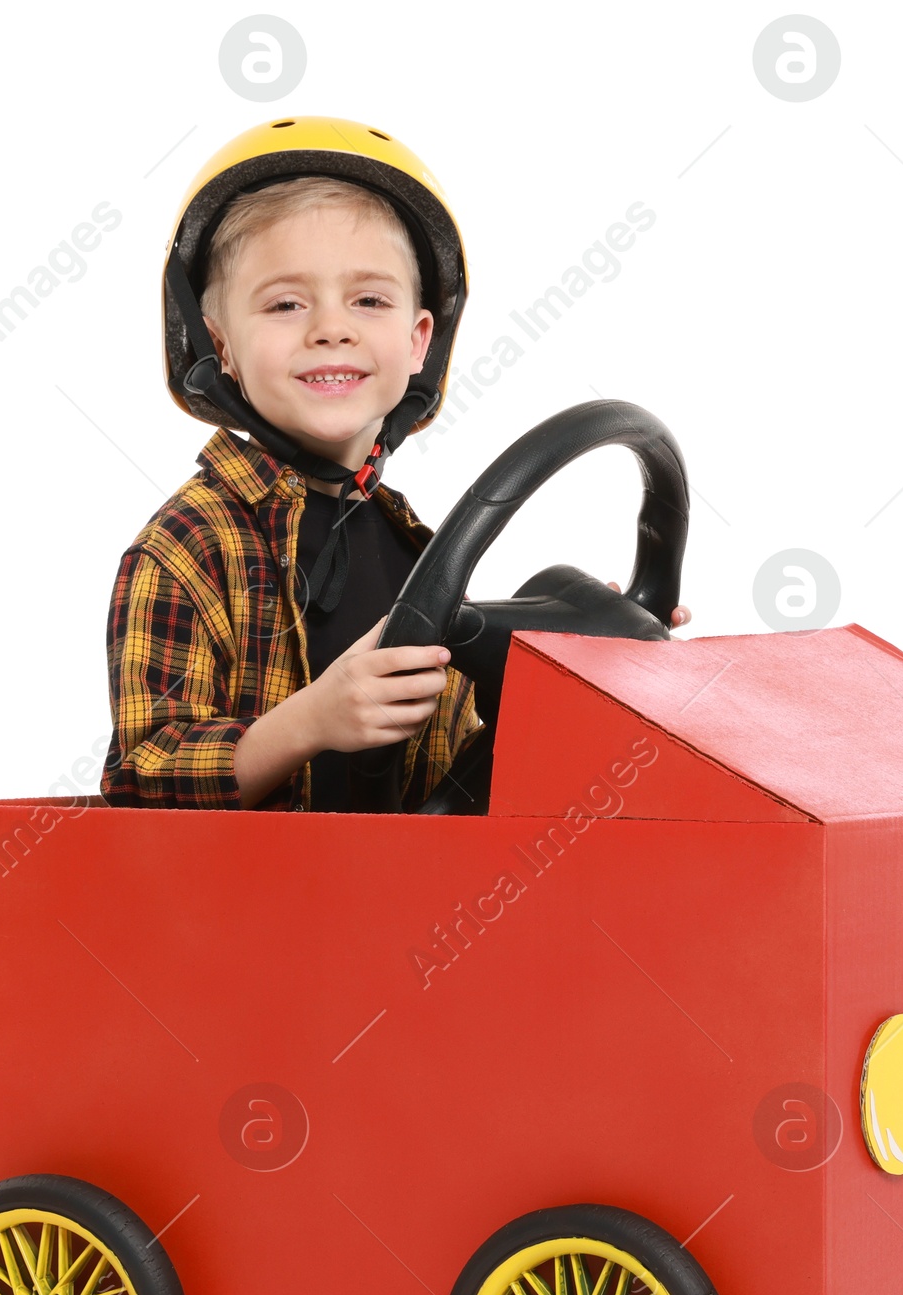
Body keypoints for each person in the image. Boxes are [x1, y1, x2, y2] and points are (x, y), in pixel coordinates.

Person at [102, 116, 688, 812]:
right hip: (245, 915)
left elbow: (458, 780)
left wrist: (593, 661)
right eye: (286, 303)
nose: (331, 327)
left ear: (417, 343)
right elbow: (142, 782)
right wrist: (312, 721)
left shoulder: (422, 552)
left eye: (369, 300)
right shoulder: (189, 546)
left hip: (409, 907)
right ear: (222, 348)